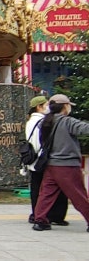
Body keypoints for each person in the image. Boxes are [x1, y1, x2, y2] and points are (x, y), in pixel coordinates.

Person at [32, 94, 89, 232]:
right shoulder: (67, 121)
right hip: (67, 165)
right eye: (69, 105)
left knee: (46, 194)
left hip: (51, 164)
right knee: (78, 194)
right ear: (64, 106)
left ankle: (40, 221)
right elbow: (85, 129)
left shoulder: (45, 122)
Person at [25, 95, 68, 225]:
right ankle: (52, 215)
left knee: (36, 188)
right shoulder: (43, 121)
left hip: (33, 160)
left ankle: (36, 214)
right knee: (48, 189)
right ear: (39, 107)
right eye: (46, 105)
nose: (49, 108)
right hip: (42, 160)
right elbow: (42, 142)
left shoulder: (30, 121)